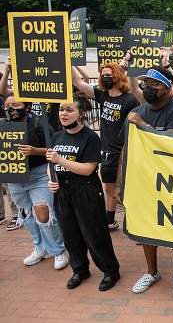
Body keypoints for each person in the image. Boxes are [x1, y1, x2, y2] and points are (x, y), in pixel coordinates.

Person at [116, 67, 173, 294]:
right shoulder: (138, 110)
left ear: (168, 90)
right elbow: (124, 148)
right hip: (143, 179)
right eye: (146, 84)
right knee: (147, 224)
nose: (148, 89)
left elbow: (171, 144)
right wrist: (122, 182)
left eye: (154, 85)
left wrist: (142, 124)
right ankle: (152, 271)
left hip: (171, 179)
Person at [46, 93, 121, 291]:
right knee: (69, 233)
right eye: (61, 109)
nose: (63, 113)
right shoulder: (55, 136)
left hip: (85, 189)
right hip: (62, 190)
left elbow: (88, 168)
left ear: (81, 114)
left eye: (69, 110)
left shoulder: (89, 137)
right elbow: (50, 163)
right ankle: (80, 269)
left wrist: (60, 161)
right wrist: (51, 180)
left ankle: (110, 270)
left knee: (94, 233)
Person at [2, 95, 68, 269]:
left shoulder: (40, 124)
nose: (10, 109)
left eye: (15, 105)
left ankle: (58, 250)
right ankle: (40, 246)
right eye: (7, 105)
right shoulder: (3, 126)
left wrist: (35, 151)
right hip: (15, 177)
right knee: (27, 215)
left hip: (39, 175)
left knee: (43, 214)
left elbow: (55, 148)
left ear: (27, 107)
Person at [72, 64, 140, 231]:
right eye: (103, 75)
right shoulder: (102, 96)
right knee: (108, 189)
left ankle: (136, 223)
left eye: (108, 75)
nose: (105, 78)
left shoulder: (129, 99)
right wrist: (69, 60)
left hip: (124, 152)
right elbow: (77, 82)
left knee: (126, 192)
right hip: (107, 152)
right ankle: (110, 220)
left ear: (117, 76)